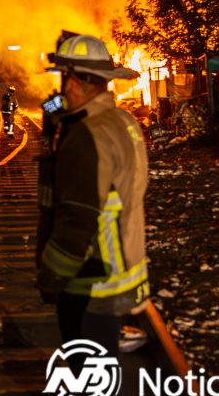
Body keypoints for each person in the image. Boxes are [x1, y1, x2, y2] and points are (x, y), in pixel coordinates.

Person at [35, 34, 150, 368]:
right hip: (123, 271)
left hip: (89, 283)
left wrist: (50, 278)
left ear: (72, 80)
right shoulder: (125, 121)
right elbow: (50, 109)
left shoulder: (86, 136)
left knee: (89, 374)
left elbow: (77, 222)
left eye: (63, 79)